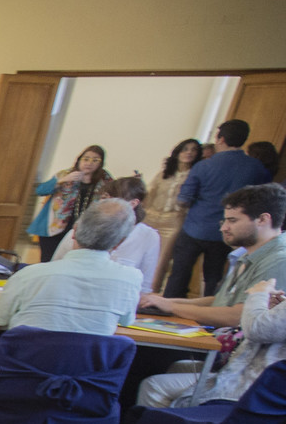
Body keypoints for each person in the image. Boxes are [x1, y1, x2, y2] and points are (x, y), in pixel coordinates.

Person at [136, 183, 286, 407]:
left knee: (153, 383)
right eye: (224, 220)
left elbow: (237, 315)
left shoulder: (279, 259)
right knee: (165, 364)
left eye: (232, 220)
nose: (224, 228)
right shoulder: (249, 253)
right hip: (227, 352)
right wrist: (165, 301)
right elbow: (221, 300)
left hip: (246, 369)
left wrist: (171, 307)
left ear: (263, 219)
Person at [0, 198, 142, 336]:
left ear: (75, 231)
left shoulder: (30, 276)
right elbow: (126, 320)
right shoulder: (131, 279)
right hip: (85, 370)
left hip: (21, 369)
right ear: (120, 242)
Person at [166, 120, 273, 298]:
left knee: (179, 272)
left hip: (195, 226)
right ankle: (209, 316)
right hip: (227, 232)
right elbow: (263, 197)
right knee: (214, 277)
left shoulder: (203, 165)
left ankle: (168, 308)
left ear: (220, 139)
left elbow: (184, 199)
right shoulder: (256, 168)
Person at [53, 174, 159, 290]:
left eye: (112, 199)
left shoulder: (149, 236)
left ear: (133, 204)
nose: (104, 203)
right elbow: (55, 266)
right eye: (104, 197)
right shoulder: (84, 225)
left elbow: (144, 286)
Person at [27, 145, 110, 262]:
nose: (89, 163)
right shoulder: (64, 174)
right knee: (48, 262)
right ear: (79, 160)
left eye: (95, 160)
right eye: (86, 159)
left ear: (100, 163)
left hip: (84, 231)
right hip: (54, 228)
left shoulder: (106, 181)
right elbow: (40, 190)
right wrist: (62, 180)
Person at [145, 138, 201, 291]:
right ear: (177, 152)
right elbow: (150, 196)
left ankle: (151, 292)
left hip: (174, 220)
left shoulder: (195, 176)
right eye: (185, 149)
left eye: (193, 149)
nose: (189, 153)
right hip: (152, 216)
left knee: (162, 258)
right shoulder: (164, 173)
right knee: (144, 252)